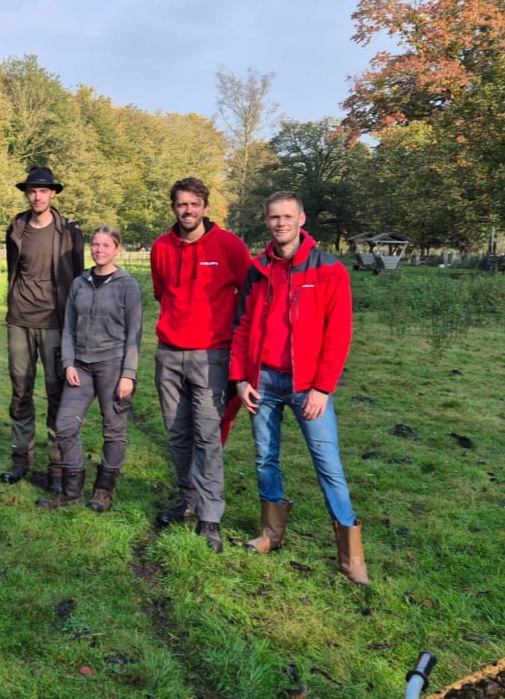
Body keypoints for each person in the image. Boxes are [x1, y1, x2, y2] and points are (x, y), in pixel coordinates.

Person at [231, 191, 368, 584]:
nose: (281, 223)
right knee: (264, 458)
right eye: (274, 217)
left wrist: (322, 388)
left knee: (328, 465)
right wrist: (241, 378)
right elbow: (242, 327)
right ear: (267, 222)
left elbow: (338, 334)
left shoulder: (328, 270)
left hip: (309, 386)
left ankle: (351, 556)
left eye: (288, 216)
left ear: (302, 219)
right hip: (264, 382)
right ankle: (271, 535)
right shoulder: (258, 269)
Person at [151, 177, 251, 552]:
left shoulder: (229, 246)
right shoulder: (161, 247)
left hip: (212, 355)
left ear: (206, 207)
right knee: (178, 435)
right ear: (173, 207)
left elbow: (249, 291)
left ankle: (211, 516)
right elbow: (164, 292)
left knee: (208, 436)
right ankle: (188, 502)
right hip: (169, 353)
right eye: (181, 204)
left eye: (194, 204)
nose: (187, 211)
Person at [40, 226, 142, 511]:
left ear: (117, 249)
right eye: (95, 245)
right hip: (81, 366)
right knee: (65, 426)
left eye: (106, 245)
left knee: (113, 430)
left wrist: (128, 375)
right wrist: (68, 362)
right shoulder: (79, 283)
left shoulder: (127, 285)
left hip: (112, 365)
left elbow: (135, 333)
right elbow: (69, 327)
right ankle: (71, 492)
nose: (99, 250)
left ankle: (103, 492)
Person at [2, 166, 84, 491]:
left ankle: (57, 464)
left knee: (56, 393)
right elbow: (12, 268)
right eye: (32, 191)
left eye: (43, 191)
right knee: (20, 390)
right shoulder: (17, 227)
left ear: (53, 194)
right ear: (27, 194)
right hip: (20, 320)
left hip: (55, 322)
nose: (37, 196)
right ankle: (20, 460)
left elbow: (77, 278)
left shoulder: (68, 231)